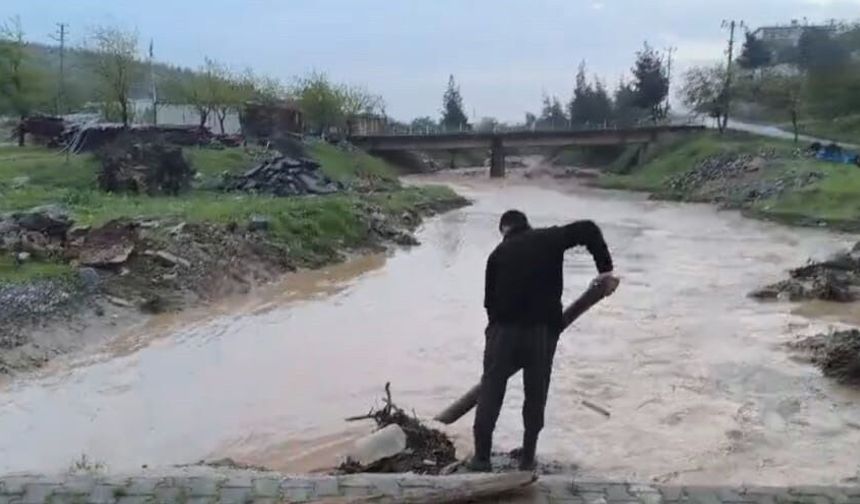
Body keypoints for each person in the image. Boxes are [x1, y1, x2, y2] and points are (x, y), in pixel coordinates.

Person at [469, 209, 617, 472]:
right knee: (536, 394)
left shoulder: (497, 254)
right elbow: (588, 227)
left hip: (503, 332)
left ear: (504, 230)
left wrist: (495, 336)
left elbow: (488, 302)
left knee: (491, 390)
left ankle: (481, 459)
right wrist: (605, 271)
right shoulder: (549, 238)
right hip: (542, 332)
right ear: (527, 224)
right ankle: (528, 458)